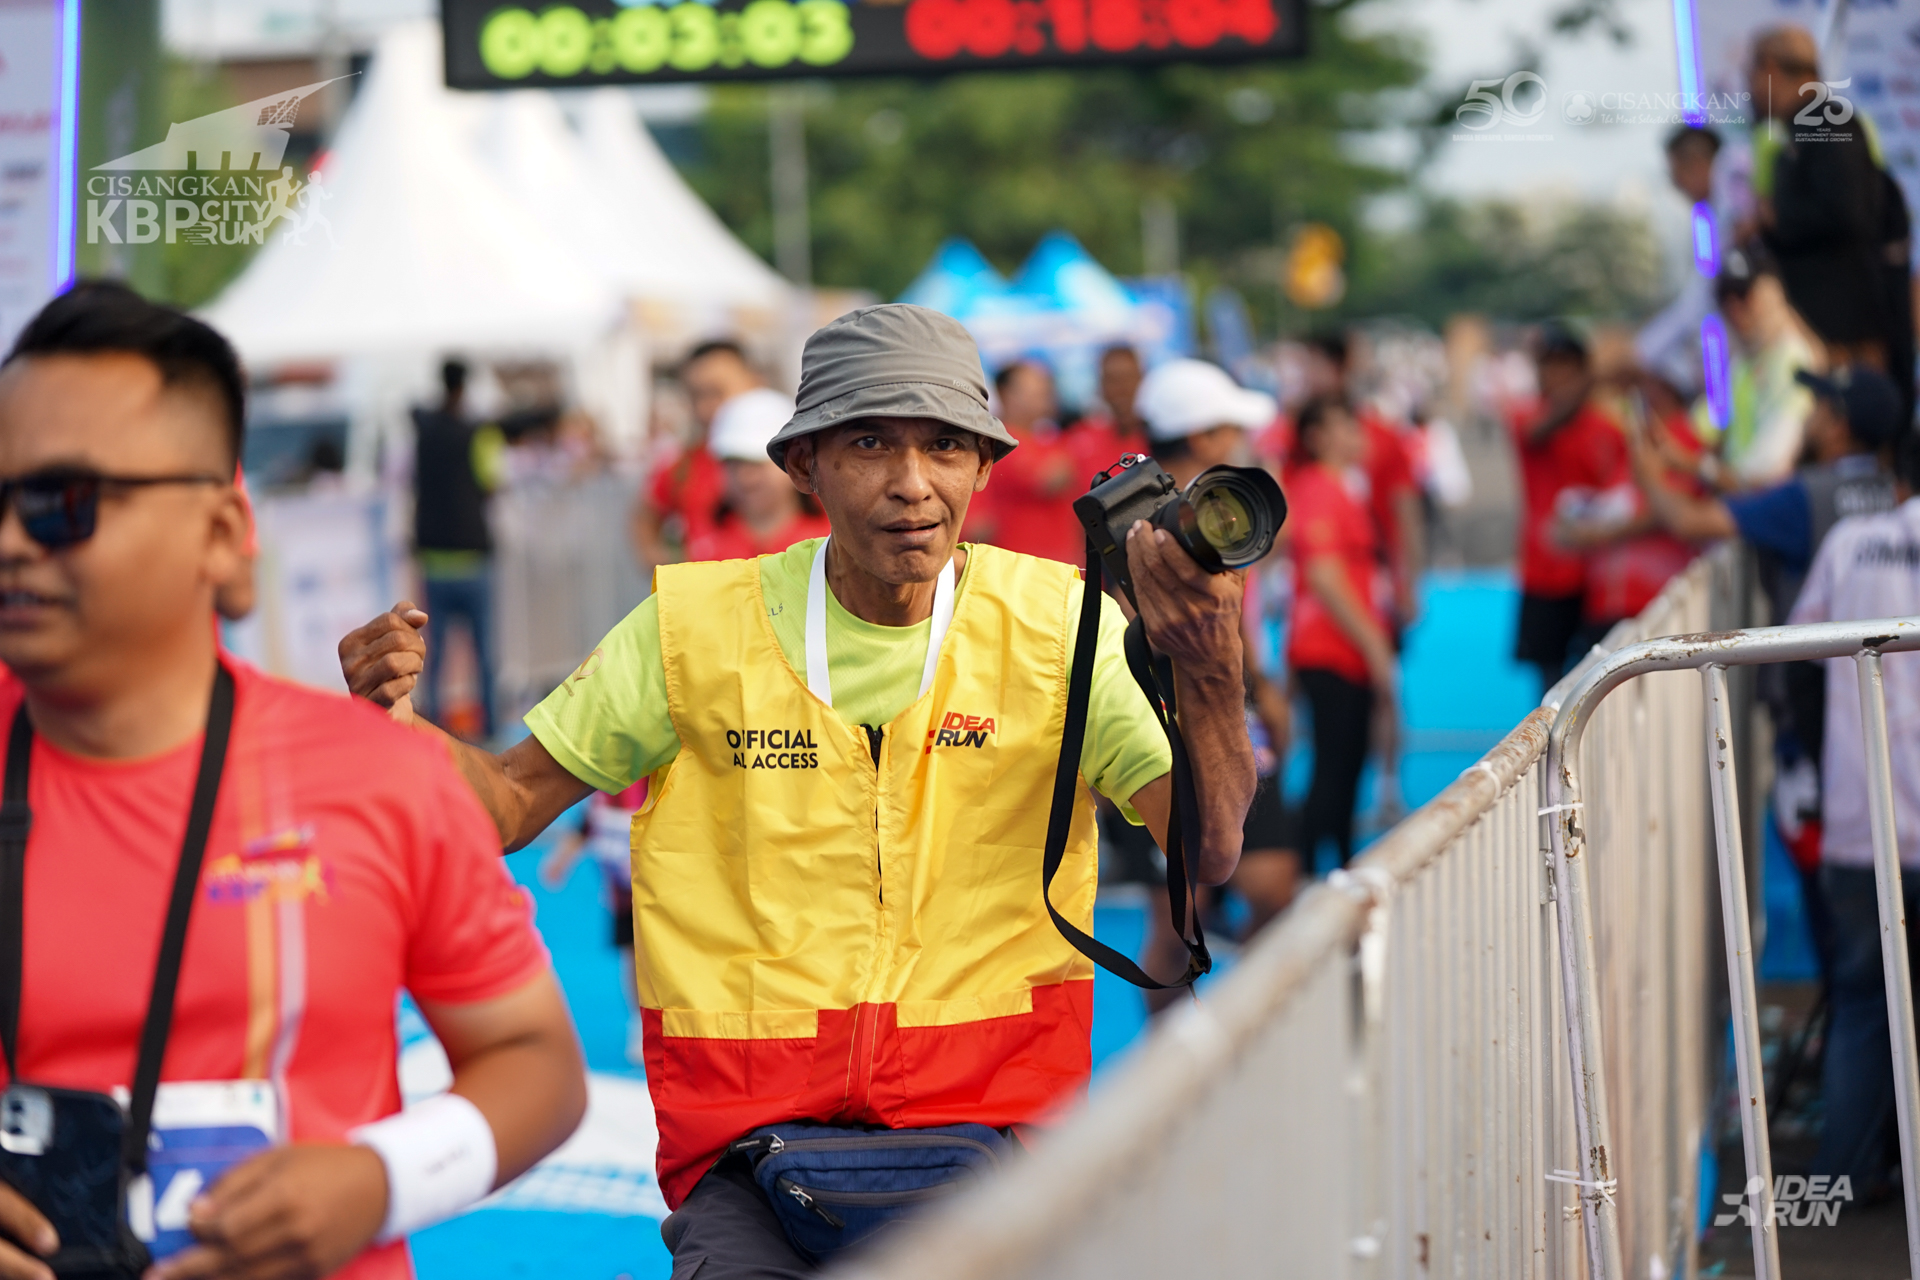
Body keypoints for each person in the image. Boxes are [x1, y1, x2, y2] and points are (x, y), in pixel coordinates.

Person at [338, 304, 1255, 1277]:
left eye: (945, 446)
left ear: (985, 466)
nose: (913, 483)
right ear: (803, 464)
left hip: (999, 1137)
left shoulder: (1061, 627)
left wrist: (1211, 667)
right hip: (745, 1155)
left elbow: (1208, 852)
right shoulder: (693, 629)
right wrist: (394, 728)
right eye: (870, 444)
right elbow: (509, 803)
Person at [0, 284, 585, 1280]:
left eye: (63, 501)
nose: (14, 540)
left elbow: (537, 1066)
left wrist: (377, 1180)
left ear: (221, 532)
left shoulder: (378, 776)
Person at [1635, 365, 1902, 974]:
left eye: (1821, 406)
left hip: (1813, 732)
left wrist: (1646, 466)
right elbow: (1759, 495)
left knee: (1841, 924)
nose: (1810, 415)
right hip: (1896, 725)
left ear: (1838, 426)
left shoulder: (1807, 495)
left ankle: (1847, 1017)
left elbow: (1691, 521)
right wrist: (1694, 463)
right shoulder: (1896, 496)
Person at [1131, 358, 1298, 1012]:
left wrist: (1258, 687)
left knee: (1274, 885)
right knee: (1179, 922)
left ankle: (1238, 1030)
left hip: (1233, 704)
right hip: (1152, 722)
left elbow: (1233, 611)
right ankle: (1168, 1058)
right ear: (1201, 436)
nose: (1242, 445)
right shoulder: (1135, 521)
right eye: (1232, 430)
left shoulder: (1222, 509)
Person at [1789, 429, 1920, 1197]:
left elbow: (1796, 651)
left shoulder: (1850, 542)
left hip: (1862, 818)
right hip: (1870, 820)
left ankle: (1844, 1174)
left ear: (1894, 473)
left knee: (1865, 1001)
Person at [1748, 25, 1910, 382]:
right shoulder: (1797, 131)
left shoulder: (1827, 124)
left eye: (1752, 76)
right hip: (1821, 328)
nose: (1751, 90)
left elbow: (1848, 214)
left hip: (1848, 332)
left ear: (1771, 68)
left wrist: (1776, 217)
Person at [1284, 394, 1395, 872]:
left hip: (1344, 647)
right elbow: (1325, 576)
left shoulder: (1346, 486)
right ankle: (1308, 869)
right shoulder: (1319, 489)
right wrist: (1374, 645)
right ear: (1316, 437)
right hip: (1329, 648)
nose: (1356, 435)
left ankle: (1335, 868)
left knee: (1347, 764)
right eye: (1344, 426)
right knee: (1334, 766)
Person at [1508, 324, 1628, 692]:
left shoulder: (1608, 429)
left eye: (1566, 366)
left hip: (1597, 576)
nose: (1556, 375)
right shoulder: (1527, 416)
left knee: (1601, 677)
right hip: (1545, 572)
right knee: (1550, 683)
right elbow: (1539, 430)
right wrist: (1593, 381)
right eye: (1549, 365)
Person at [411, 359, 505, 741]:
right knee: (484, 653)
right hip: (472, 556)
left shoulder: (423, 432)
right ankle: (491, 735)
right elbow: (491, 482)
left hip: (434, 559)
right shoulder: (478, 433)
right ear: (465, 387)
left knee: (434, 656)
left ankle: (433, 733)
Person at [541, 780, 650, 1066]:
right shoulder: (604, 789)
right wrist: (561, 860)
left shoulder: (651, 786)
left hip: (656, 893)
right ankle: (640, 1022)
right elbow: (585, 826)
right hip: (622, 894)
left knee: (658, 959)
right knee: (632, 957)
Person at [633, 341, 765, 569]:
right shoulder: (683, 465)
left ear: (754, 383)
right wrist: (666, 568)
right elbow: (645, 517)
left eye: (716, 392)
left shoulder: (796, 454)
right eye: (695, 396)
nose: (706, 408)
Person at [1711, 242, 1824, 491]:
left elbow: (1770, 469)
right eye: (1725, 298)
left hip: (1761, 498)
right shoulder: (1742, 361)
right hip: (1736, 493)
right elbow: (1708, 431)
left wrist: (1704, 469)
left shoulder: (1793, 359)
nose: (1734, 309)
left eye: (1744, 295)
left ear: (1771, 293)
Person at [684, 389, 831, 562]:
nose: (746, 478)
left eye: (757, 464)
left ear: (797, 462)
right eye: (734, 464)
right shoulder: (702, 540)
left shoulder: (833, 538)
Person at [971, 359, 1083, 564]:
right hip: (1018, 565)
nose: (1045, 393)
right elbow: (1049, 480)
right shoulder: (996, 442)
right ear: (1006, 394)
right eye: (1034, 387)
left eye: (1045, 386)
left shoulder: (1050, 439)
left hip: (1062, 563)